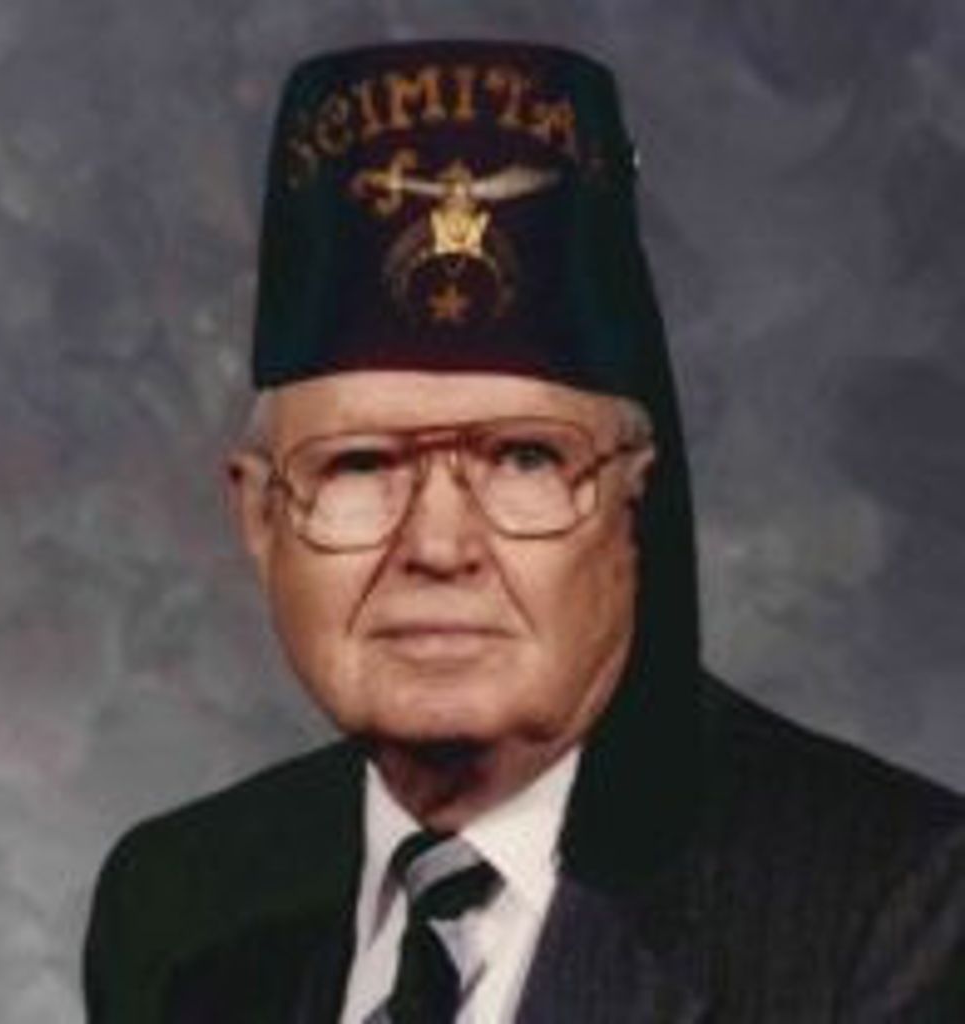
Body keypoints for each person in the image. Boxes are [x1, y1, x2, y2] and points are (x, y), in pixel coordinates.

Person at [83, 40, 965, 1023]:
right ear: (259, 514)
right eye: (362, 464)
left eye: (525, 459)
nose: (438, 546)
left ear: (635, 503)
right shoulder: (175, 907)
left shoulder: (886, 911)